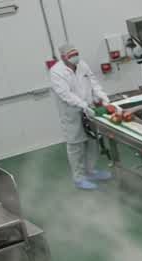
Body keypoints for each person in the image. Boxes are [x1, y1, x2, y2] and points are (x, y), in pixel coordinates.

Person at [49, 44, 112, 191]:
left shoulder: (82, 64)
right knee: (75, 145)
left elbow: (93, 83)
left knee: (92, 140)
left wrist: (103, 97)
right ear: (63, 57)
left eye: (76, 53)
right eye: (71, 55)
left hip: (88, 108)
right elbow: (65, 94)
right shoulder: (56, 72)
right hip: (71, 112)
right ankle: (79, 178)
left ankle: (90, 171)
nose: (75, 57)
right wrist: (83, 105)